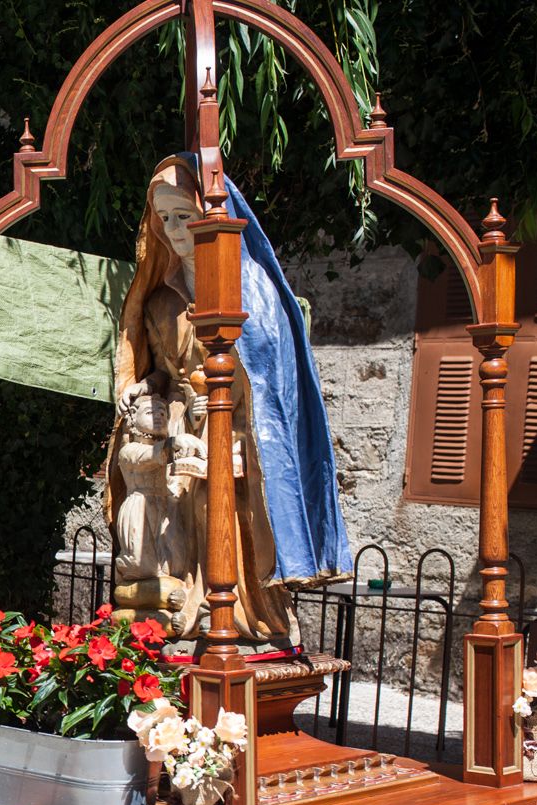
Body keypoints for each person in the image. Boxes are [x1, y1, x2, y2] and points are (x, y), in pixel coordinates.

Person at [104, 154, 352, 651]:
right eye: (164, 218)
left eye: (184, 216)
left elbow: (272, 391)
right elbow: (166, 371)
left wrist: (236, 441)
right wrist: (146, 386)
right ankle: (188, 613)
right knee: (179, 530)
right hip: (181, 439)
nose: (173, 230)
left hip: (238, 443)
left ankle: (247, 616)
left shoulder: (254, 296)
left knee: (235, 531)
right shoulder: (161, 301)